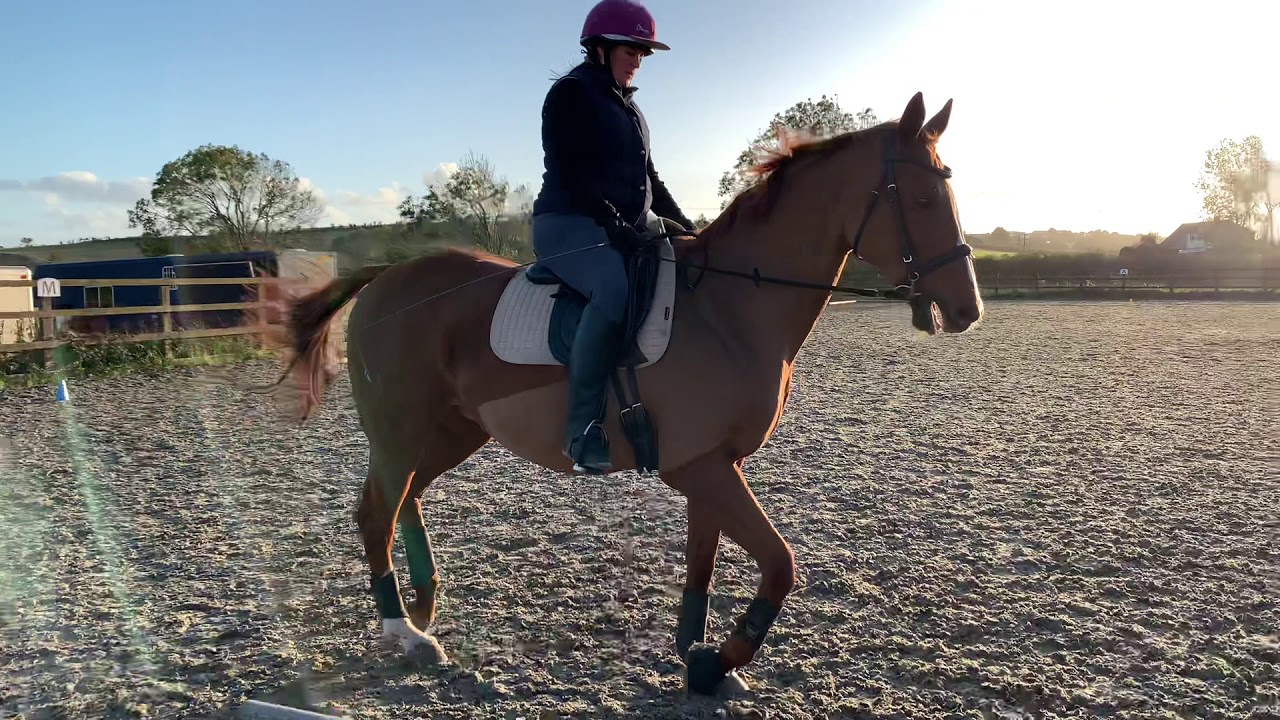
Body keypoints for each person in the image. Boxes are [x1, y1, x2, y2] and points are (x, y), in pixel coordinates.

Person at [529, 0, 696, 475]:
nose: (638, 59)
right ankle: (582, 430)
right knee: (613, 287)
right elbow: (570, 170)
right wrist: (614, 225)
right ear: (599, 48)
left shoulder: (632, 109)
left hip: (624, 225)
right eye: (632, 48)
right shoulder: (570, 94)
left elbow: (651, 180)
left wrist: (687, 228)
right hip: (568, 223)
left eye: (644, 52)